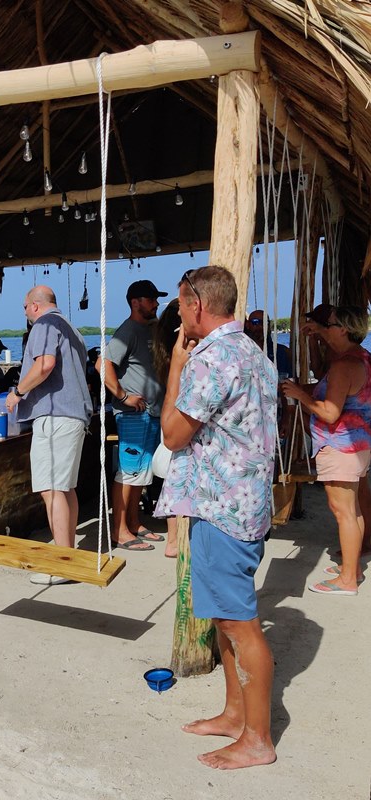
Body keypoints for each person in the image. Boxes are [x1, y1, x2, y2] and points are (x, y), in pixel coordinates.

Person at [156, 265, 278, 770]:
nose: (179, 314)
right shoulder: (254, 352)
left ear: (198, 305)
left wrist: (175, 367)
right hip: (245, 501)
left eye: (181, 305)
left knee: (237, 622)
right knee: (227, 619)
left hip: (222, 506)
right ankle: (234, 714)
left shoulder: (211, 360)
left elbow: (171, 434)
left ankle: (258, 739)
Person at [5, 286, 92, 585]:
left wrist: (18, 392)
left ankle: (62, 565)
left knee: (51, 490)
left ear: (34, 306)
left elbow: (44, 364)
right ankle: (68, 554)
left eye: (25, 307)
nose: (25, 313)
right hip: (74, 415)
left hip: (56, 416)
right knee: (65, 489)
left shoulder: (44, 324)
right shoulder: (73, 330)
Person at [281, 305, 371, 595]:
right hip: (356, 445)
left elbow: (330, 413)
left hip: (340, 446)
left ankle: (347, 580)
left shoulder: (345, 366)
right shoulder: (360, 358)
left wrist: (299, 395)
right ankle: (353, 569)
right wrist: (317, 334)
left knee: (344, 511)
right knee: (352, 510)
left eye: (328, 324)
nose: (324, 328)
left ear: (343, 329)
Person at [99, 279, 167, 551]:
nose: (156, 304)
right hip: (132, 415)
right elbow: (102, 364)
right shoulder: (127, 331)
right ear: (136, 302)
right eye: (151, 299)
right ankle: (119, 530)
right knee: (128, 473)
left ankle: (134, 522)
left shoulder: (149, 329)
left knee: (142, 472)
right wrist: (123, 396)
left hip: (151, 413)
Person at [150, 298, 181, 558]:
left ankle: (173, 539)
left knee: (173, 478)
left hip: (168, 414)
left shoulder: (164, 352)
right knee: (178, 476)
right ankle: (174, 541)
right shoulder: (180, 353)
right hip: (179, 417)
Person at [244, 309, 293, 377]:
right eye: (255, 322)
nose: (260, 326)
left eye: (264, 322)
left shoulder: (283, 352)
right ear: (247, 325)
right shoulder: (242, 352)